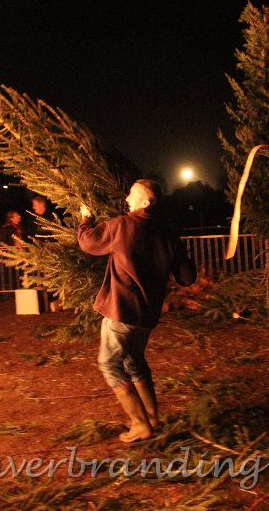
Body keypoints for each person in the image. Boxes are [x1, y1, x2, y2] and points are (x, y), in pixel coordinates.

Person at [78, 179, 196, 442]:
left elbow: (88, 242)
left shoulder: (122, 225)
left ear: (147, 201)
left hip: (122, 310)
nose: (127, 199)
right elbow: (186, 278)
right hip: (147, 313)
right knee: (134, 362)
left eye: (132, 195)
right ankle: (152, 418)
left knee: (109, 364)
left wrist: (85, 218)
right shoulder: (167, 232)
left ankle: (140, 423)